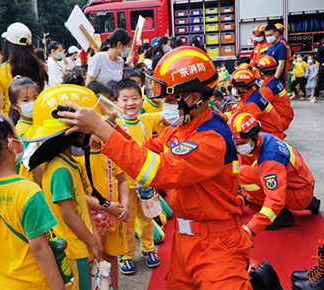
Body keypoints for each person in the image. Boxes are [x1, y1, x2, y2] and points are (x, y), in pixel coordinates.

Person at [55, 46, 283, 290]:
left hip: (217, 243)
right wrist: (110, 128)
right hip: (185, 240)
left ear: (193, 98)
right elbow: (141, 150)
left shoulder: (211, 138)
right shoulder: (180, 130)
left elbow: (159, 172)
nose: (166, 105)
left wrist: (102, 130)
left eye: (171, 99)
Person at [0, 112, 65, 289]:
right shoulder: (29, 191)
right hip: (32, 283)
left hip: (0, 281)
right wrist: (58, 286)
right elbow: (39, 248)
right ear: (10, 144)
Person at [22, 85, 104, 290]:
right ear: (76, 134)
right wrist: (92, 241)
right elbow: (68, 215)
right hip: (75, 250)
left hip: (78, 245)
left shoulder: (63, 164)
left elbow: (79, 206)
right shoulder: (60, 170)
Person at [230, 113, 320, 234]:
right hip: (300, 185)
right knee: (246, 172)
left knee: (243, 175)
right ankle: (307, 202)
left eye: (241, 143)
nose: (238, 147)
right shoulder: (264, 138)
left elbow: (275, 200)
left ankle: (282, 216)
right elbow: (259, 166)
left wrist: (251, 229)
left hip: (299, 194)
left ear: (253, 136)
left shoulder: (270, 160)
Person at [114, 79, 165, 274]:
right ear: (117, 102)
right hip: (124, 185)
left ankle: (148, 250)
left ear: (142, 100)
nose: (130, 103)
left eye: (135, 98)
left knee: (147, 219)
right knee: (127, 221)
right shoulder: (116, 123)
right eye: (124, 99)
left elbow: (165, 115)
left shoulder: (145, 120)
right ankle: (126, 255)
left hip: (146, 183)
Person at [78, 133, 130, 290]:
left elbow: (123, 181)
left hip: (113, 218)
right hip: (89, 220)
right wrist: (108, 206)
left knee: (111, 256)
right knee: (90, 259)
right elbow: (79, 194)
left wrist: (125, 205)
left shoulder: (111, 153)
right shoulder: (76, 158)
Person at [0, 22, 48, 115]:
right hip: (37, 117)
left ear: (8, 44)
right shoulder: (39, 66)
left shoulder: (0, 70)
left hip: (11, 122)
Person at [226, 68, 284, 141]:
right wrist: (220, 117)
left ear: (242, 87)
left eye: (234, 86)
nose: (233, 89)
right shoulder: (251, 96)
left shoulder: (252, 104)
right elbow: (237, 112)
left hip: (271, 137)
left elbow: (244, 128)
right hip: (269, 133)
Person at [256, 55, 294, 132]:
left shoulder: (268, 89)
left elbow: (256, 103)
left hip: (280, 120)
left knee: (252, 124)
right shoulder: (275, 82)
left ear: (262, 72)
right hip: (286, 116)